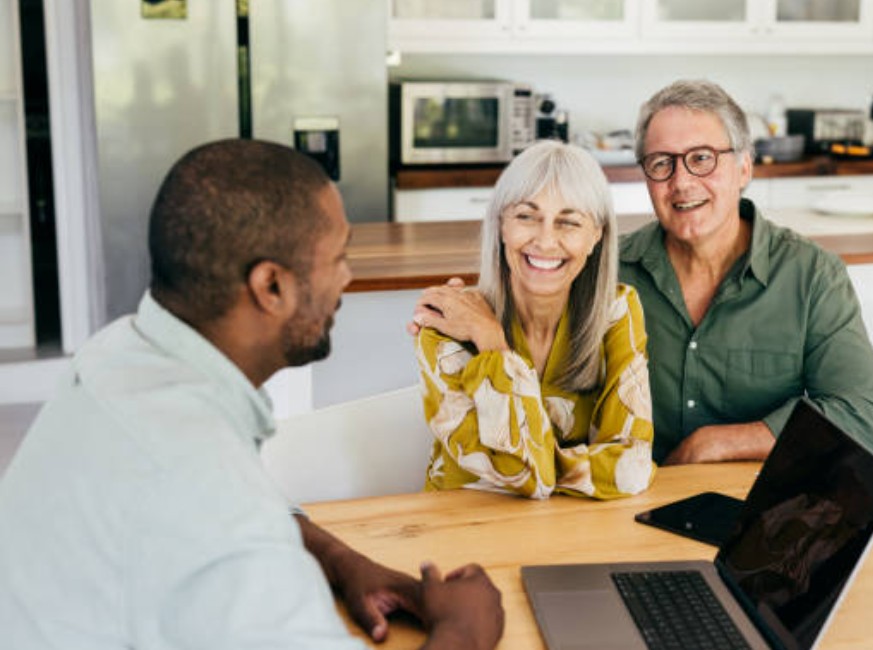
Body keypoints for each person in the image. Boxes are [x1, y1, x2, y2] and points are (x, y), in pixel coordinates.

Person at [0, 139, 503, 650]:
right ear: (271, 286)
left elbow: (233, 498)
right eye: (339, 257)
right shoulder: (209, 494)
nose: (347, 278)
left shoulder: (118, 353)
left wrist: (342, 560)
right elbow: (218, 504)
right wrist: (466, 628)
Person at [619, 79, 873, 466]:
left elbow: (864, 417)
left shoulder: (811, 276)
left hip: (764, 509)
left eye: (701, 158)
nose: (681, 182)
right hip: (632, 508)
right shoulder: (609, 273)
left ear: (744, 167)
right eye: (662, 163)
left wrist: (715, 443)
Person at [409, 140, 655, 500]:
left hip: (575, 532)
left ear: (596, 236)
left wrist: (543, 465)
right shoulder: (445, 324)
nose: (545, 240)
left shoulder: (616, 310)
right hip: (461, 530)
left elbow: (631, 466)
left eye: (568, 222)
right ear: (501, 225)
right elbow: (521, 474)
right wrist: (490, 337)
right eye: (526, 216)